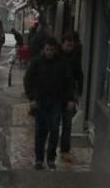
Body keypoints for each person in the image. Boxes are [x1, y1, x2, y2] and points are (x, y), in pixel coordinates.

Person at [24, 37, 76, 170]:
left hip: (56, 101)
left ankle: (51, 158)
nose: (49, 53)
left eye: (52, 50)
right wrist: (32, 98)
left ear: (55, 50)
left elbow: (69, 82)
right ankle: (39, 158)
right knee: (40, 131)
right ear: (44, 49)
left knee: (54, 130)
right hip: (40, 101)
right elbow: (28, 80)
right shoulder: (36, 62)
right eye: (47, 49)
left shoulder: (62, 64)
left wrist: (70, 99)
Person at [58, 33, 84, 163]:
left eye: (72, 46)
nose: (70, 48)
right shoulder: (56, 57)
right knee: (53, 124)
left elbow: (79, 75)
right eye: (68, 45)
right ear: (62, 44)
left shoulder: (75, 58)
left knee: (67, 124)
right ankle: (52, 149)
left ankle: (65, 150)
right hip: (56, 96)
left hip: (69, 97)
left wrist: (78, 93)